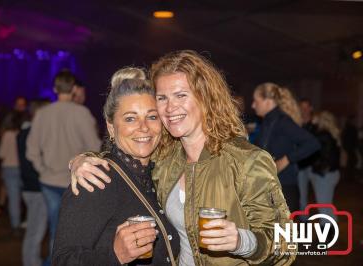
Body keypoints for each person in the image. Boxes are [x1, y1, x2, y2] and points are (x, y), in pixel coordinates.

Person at [69, 50, 295, 265]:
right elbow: (126, 151)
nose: (170, 107)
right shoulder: (166, 158)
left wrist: (242, 242)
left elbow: (286, 244)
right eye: (162, 98)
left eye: (181, 95)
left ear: (205, 98)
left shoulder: (247, 161)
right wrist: (82, 160)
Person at [52, 67, 180, 265]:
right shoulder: (96, 180)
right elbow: (63, 260)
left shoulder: (159, 173)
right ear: (111, 127)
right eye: (130, 118)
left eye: (152, 116)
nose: (144, 127)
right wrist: (115, 255)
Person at [26, 69, 102, 265]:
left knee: (55, 232)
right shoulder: (82, 113)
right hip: (76, 183)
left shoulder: (42, 114)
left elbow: (31, 149)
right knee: (74, 236)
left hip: (49, 181)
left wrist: (42, 169)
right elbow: (95, 148)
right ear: (75, 89)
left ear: (54, 88)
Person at [252, 83, 320, 212]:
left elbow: (312, 143)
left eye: (256, 101)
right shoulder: (268, 121)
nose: (253, 105)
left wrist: (287, 159)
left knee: (283, 232)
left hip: (284, 188)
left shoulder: (282, 121)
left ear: (268, 101)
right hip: (270, 187)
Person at [17, 99, 50, 266]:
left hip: (31, 187)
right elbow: (31, 163)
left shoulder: (27, 131)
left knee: (35, 231)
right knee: (35, 232)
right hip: (35, 188)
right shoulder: (31, 133)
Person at [310, 111, 341, 224]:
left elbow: (309, 142)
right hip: (332, 173)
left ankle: (326, 236)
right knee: (327, 205)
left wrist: (312, 125)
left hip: (324, 174)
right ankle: (332, 231)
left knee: (323, 207)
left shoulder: (322, 135)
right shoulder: (333, 134)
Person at [0, 111, 23, 233]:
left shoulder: (7, 135)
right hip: (22, 169)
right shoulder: (22, 134)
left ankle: (15, 225)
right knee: (24, 198)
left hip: (9, 168)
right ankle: (24, 221)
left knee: (13, 198)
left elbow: (1, 154)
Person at [297, 98, 318, 213]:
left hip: (315, 166)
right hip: (301, 166)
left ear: (311, 108)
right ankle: (304, 221)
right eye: (301, 108)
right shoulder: (295, 125)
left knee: (320, 197)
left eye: (306, 107)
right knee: (302, 197)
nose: (304, 110)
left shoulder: (317, 125)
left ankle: (325, 223)